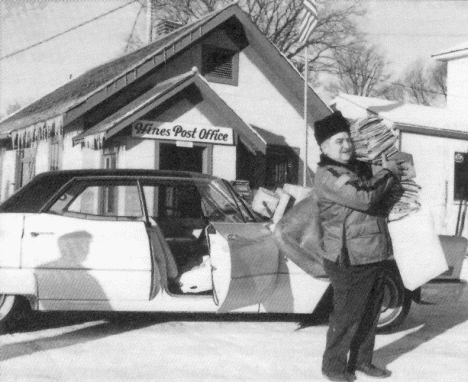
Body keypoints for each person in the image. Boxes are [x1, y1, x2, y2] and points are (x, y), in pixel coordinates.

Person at [313, 111, 400, 382]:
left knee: (370, 314)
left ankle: (362, 361)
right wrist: (388, 173)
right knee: (347, 317)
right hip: (348, 258)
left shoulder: (357, 169)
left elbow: (376, 202)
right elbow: (363, 198)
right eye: (338, 141)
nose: (346, 145)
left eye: (347, 140)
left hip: (372, 252)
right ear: (324, 147)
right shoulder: (328, 175)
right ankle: (334, 367)